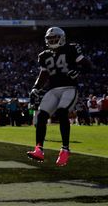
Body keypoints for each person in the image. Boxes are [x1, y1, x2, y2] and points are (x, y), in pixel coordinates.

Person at [27, 27, 89, 167]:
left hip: (69, 88)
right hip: (53, 89)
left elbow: (88, 65)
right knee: (41, 115)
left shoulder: (71, 49)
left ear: (62, 38)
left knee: (62, 112)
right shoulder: (44, 55)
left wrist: (77, 71)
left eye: (54, 38)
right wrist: (35, 87)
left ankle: (65, 150)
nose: (52, 41)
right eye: (50, 39)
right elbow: (43, 75)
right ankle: (39, 149)